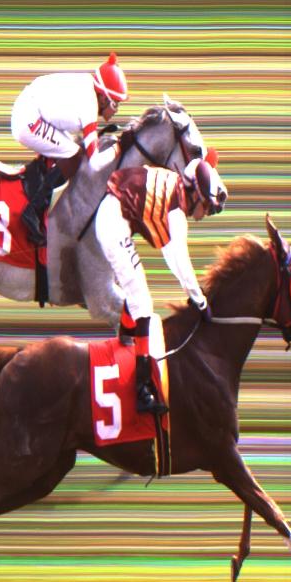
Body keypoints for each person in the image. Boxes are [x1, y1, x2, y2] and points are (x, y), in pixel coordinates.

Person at [97, 151, 227, 416]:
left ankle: (126, 346)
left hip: (113, 217)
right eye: (206, 207)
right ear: (196, 194)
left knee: (137, 295)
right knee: (143, 301)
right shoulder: (177, 209)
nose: (204, 214)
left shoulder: (176, 189)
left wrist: (195, 295)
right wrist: (200, 302)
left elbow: (171, 256)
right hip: (113, 225)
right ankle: (140, 388)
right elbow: (180, 260)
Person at [8, 54, 129, 247]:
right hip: (28, 118)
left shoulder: (88, 84)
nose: (115, 110)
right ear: (103, 97)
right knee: (74, 156)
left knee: (72, 147)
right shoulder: (89, 106)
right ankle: (34, 210)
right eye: (115, 103)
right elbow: (96, 163)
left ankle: (40, 187)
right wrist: (120, 147)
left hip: (29, 107)